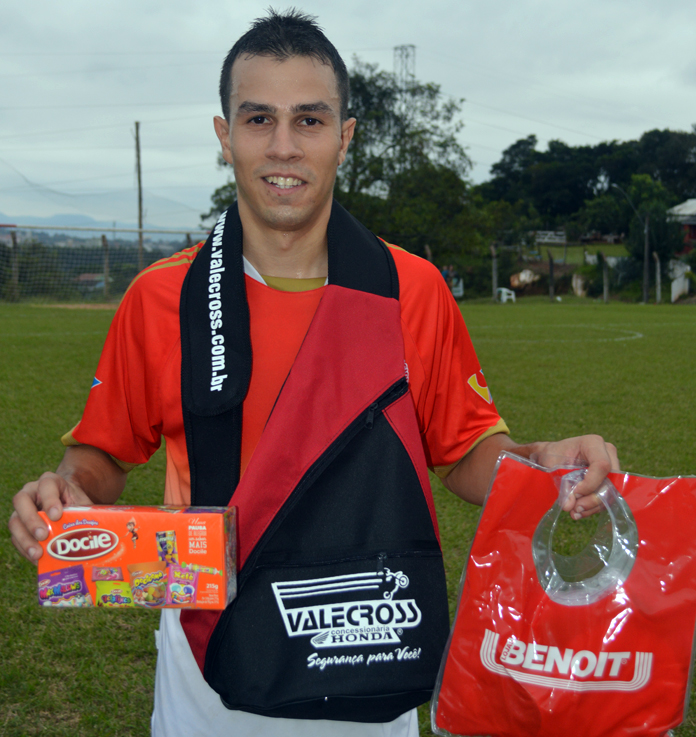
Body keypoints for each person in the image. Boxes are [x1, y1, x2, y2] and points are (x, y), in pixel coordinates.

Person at [9, 10, 618, 737]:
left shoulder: (411, 288)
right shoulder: (160, 298)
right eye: (259, 118)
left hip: (367, 651)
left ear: (345, 136)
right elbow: (102, 456)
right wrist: (66, 490)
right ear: (223, 135)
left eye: (310, 119)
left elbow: (461, 451)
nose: (284, 146)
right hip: (208, 662)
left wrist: (537, 463)